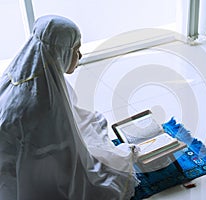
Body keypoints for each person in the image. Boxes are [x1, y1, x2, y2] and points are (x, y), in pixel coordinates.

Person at [0, 15, 137, 200]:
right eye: (76, 49)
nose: (79, 56)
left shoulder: (27, 75)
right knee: (100, 176)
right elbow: (67, 155)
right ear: (60, 52)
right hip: (24, 171)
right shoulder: (45, 103)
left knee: (91, 123)